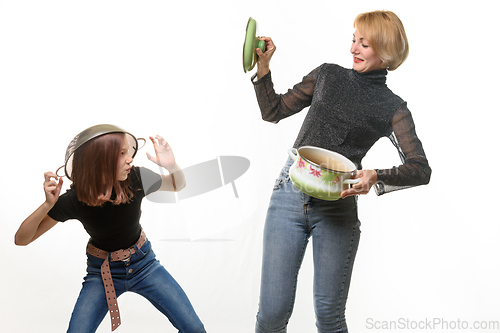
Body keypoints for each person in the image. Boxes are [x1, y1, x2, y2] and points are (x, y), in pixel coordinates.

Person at [251, 10, 431, 333]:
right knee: (271, 316)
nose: (353, 49)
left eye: (365, 43)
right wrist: (263, 70)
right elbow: (273, 110)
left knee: (329, 317)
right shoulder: (327, 75)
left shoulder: (393, 107)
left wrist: (375, 175)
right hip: (289, 195)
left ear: (386, 52)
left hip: (338, 206)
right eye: (353, 40)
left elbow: (420, 169)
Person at [15, 126, 206, 333]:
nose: (130, 159)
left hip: (144, 264)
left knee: (194, 328)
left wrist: (172, 165)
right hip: (102, 272)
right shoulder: (74, 200)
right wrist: (47, 204)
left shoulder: (137, 178)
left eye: (129, 151)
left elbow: (177, 185)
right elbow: (22, 239)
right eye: (121, 154)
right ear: (100, 161)